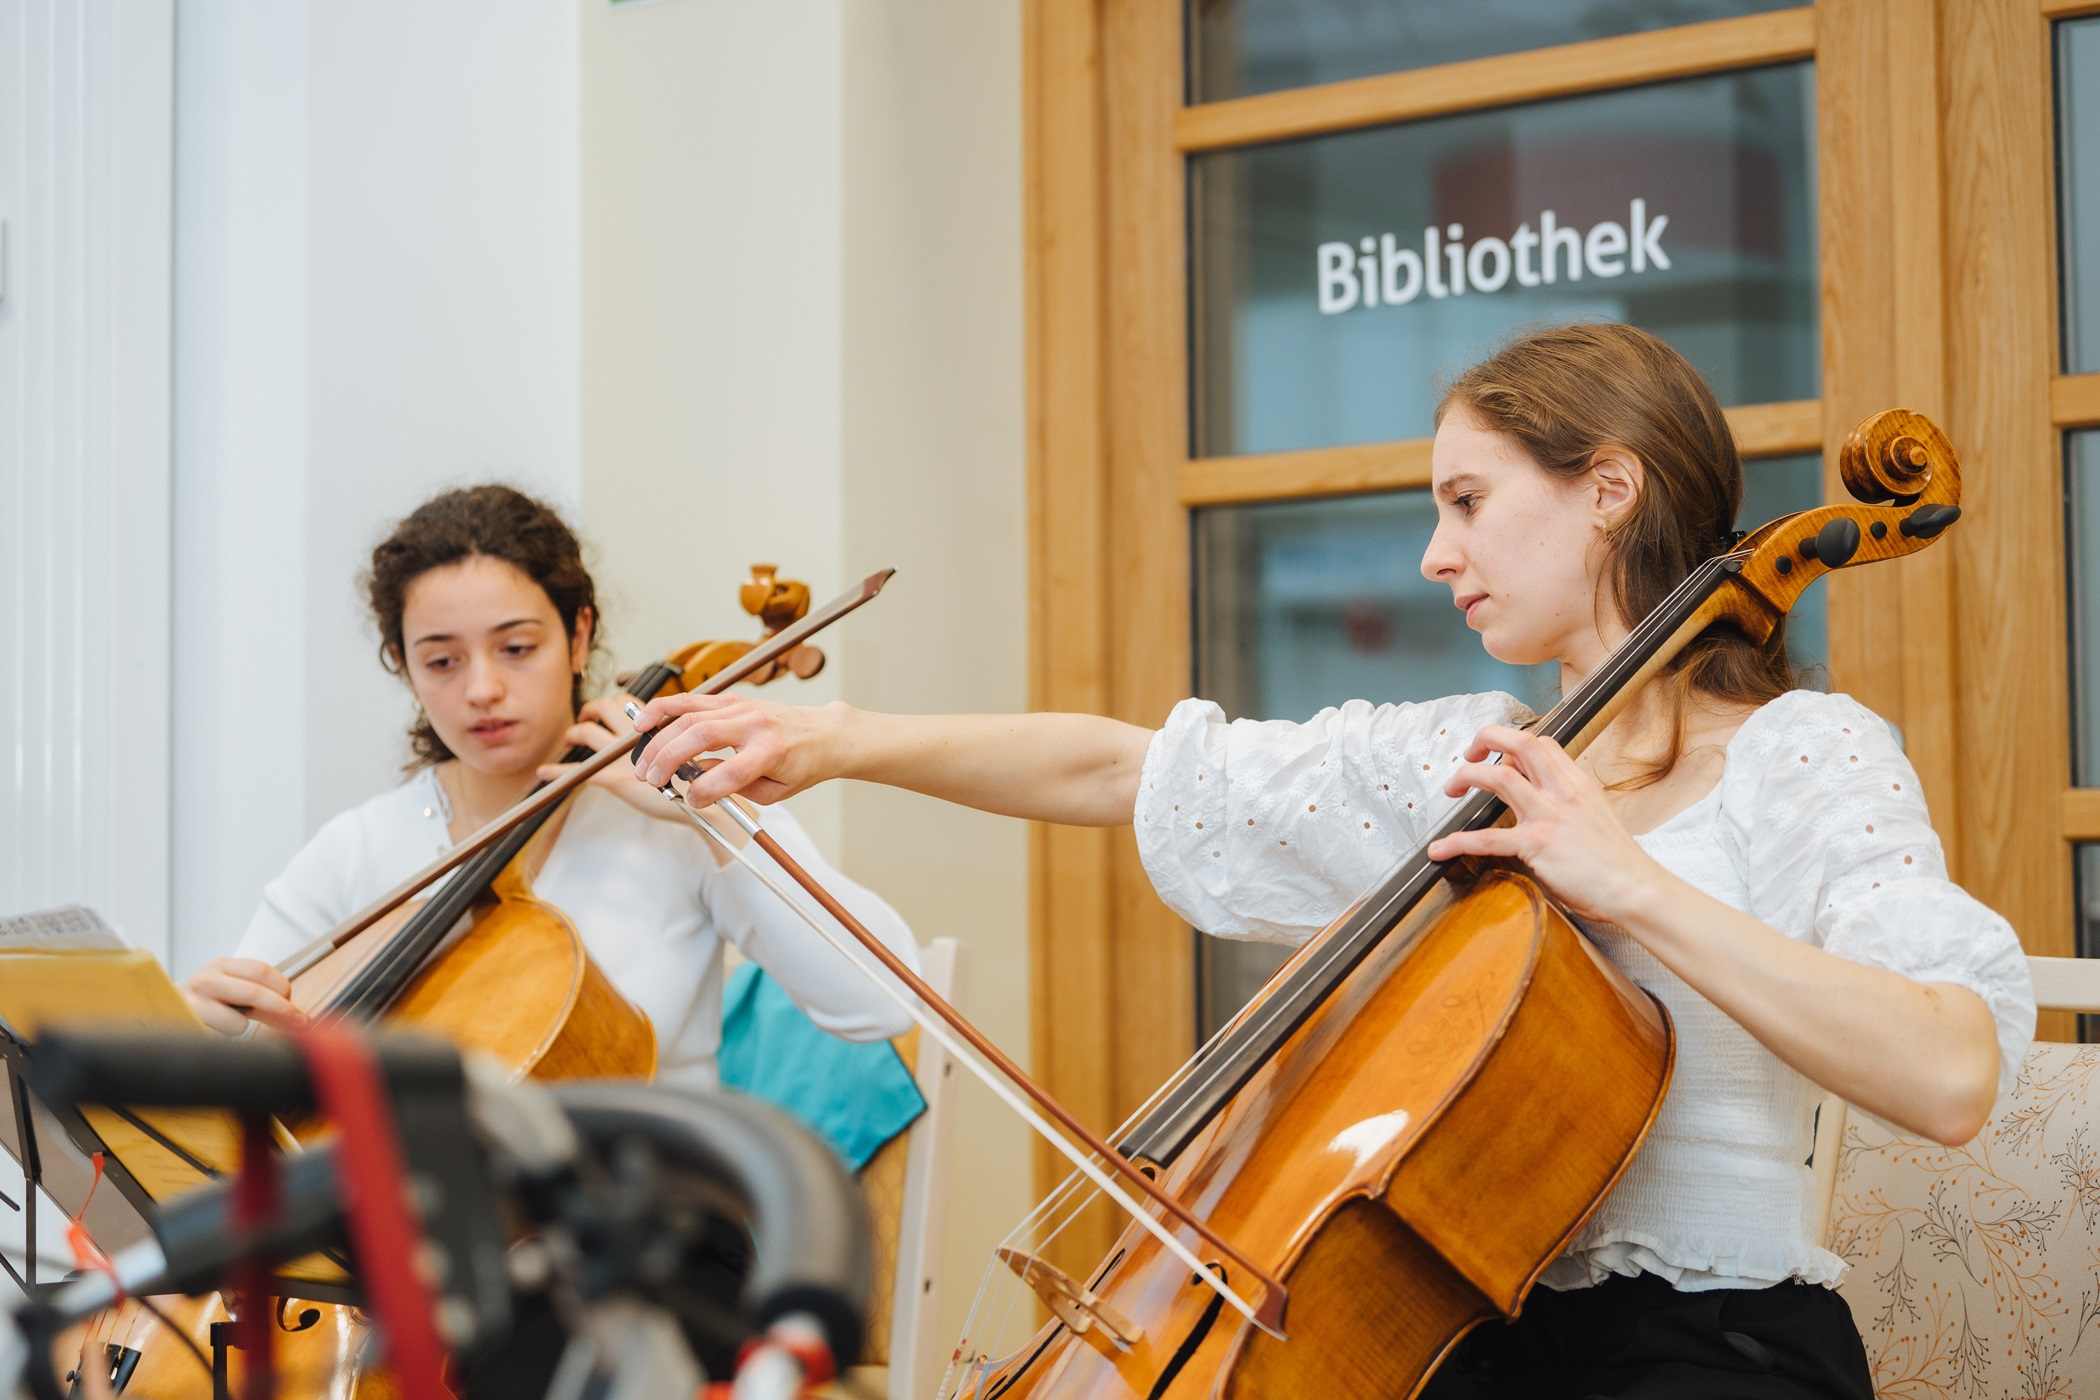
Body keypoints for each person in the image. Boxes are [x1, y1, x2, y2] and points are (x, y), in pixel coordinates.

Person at [623, 324, 2035, 1398]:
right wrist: (835, 736)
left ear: (1608, 489)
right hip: (1468, 1347)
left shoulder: (1805, 757)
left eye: (1468, 503)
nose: (1436, 553)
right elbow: (1128, 767)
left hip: (1716, 1357)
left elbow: (1951, 1072)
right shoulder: (1475, 760)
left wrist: (1631, 886)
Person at [182, 484, 919, 1091]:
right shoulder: (361, 848)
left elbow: (882, 1003)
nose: (483, 689)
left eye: (517, 647)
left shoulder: (674, 815)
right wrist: (220, 1028)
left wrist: (713, 820)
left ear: (580, 637)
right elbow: (245, 1071)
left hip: (652, 1235)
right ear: (405, 670)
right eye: (441, 661)